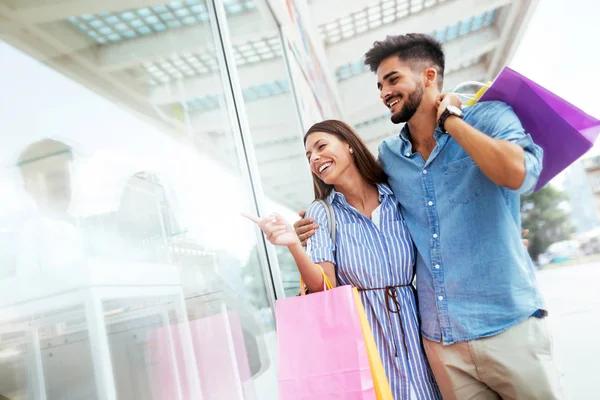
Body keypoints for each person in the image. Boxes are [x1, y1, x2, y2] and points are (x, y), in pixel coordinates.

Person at [295, 34, 562, 399]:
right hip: (441, 342)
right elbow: (367, 205)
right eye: (379, 85)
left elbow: (519, 175)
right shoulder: (391, 156)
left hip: (507, 325)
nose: (384, 92)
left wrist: (451, 121)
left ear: (428, 76)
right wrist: (310, 228)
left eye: (393, 79)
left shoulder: (488, 117)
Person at [245, 120, 441, 399]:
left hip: (417, 329)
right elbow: (322, 287)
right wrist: (293, 245)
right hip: (364, 336)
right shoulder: (322, 212)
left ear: (349, 144)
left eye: (321, 146)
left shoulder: (396, 196)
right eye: (308, 155)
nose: (314, 158)